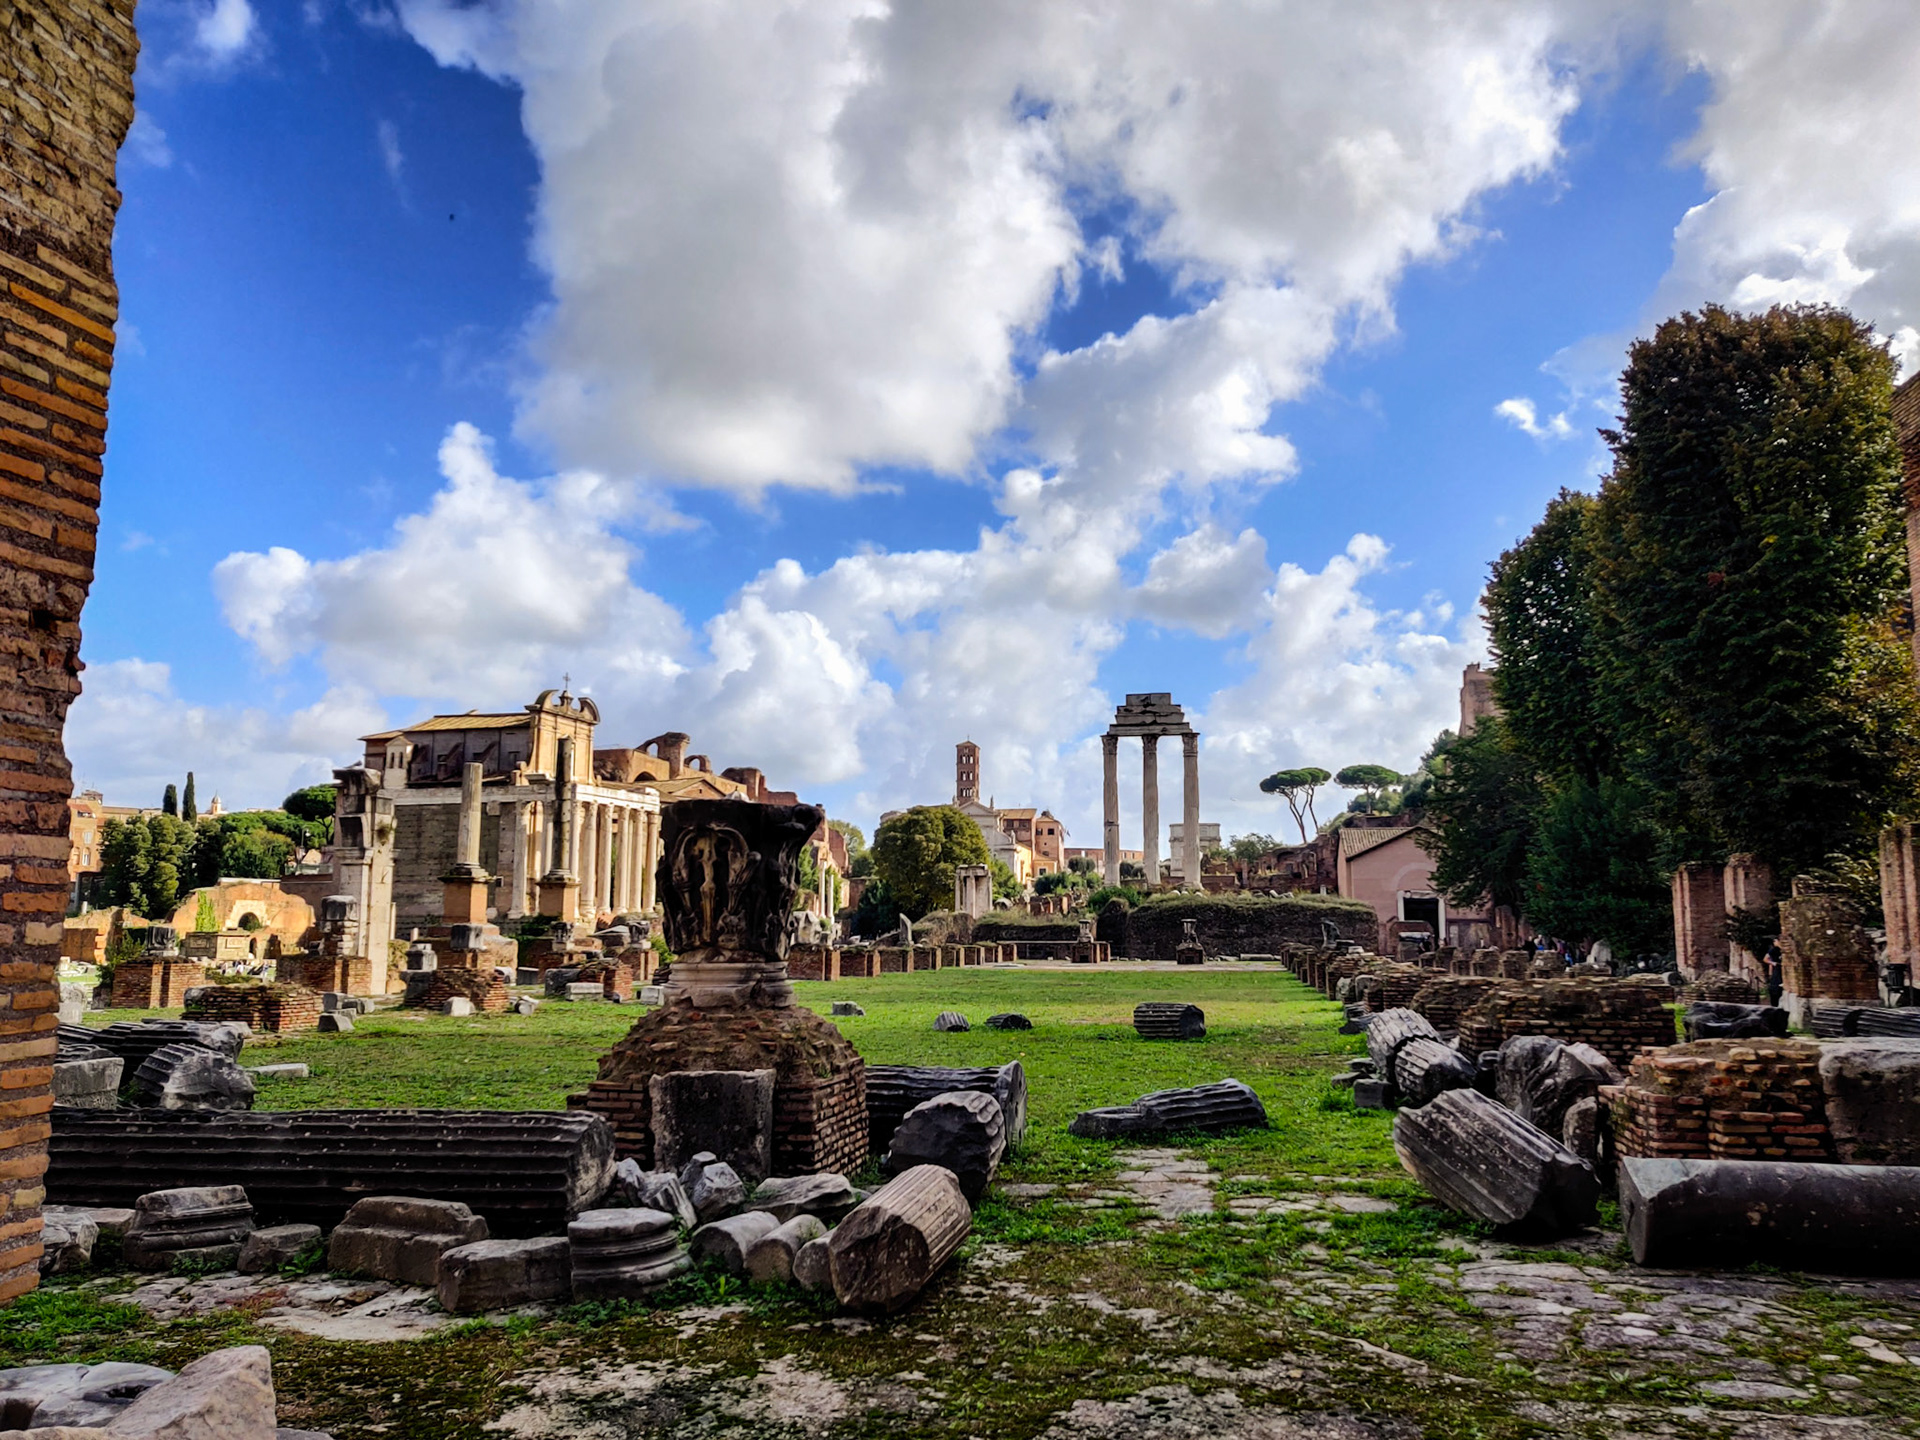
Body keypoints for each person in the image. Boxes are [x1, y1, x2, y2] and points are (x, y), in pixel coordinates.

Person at [1764, 942, 1784, 1008]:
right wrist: (1773, 963)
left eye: (1775, 941)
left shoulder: (1785, 950)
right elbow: (1766, 959)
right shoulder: (1774, 950)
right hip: (1777, 972)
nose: (1774, 943)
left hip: (1783, 971)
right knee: (1775, 989)